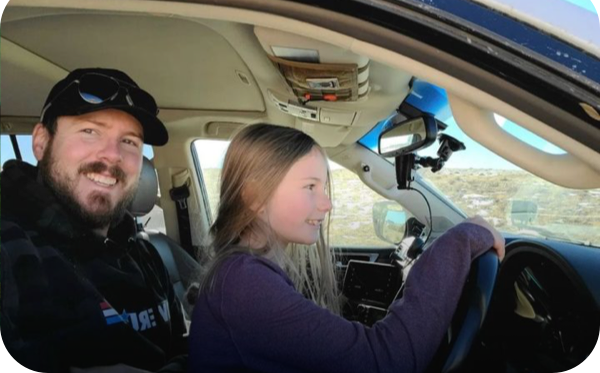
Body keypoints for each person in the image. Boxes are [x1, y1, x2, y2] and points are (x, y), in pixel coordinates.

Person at [187, 123, 505, 373]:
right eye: (310, 187)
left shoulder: (245, 272)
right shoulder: (244, 283)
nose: (327, 204)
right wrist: (459, 242)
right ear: (255, 197)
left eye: (323, 187)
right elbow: (385, 363)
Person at [1, 68, 188, 373]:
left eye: (130, 142)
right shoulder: (11, 251)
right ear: (41, 142)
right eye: (90, 131)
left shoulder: (147, 256)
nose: (113, 154)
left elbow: (181, 348)